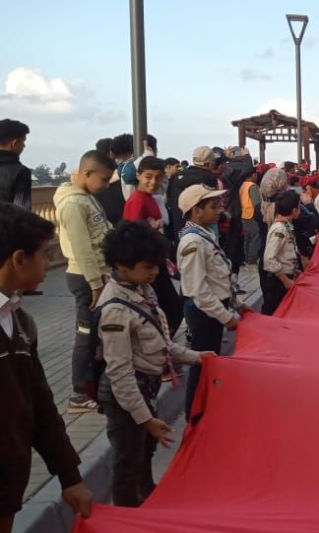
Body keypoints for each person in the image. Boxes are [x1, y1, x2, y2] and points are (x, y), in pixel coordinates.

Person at [0, 204, 93, 533]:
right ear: (19, 259)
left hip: (8, 484)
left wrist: (69, 476)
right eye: (46, 254)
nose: (51, 262)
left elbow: (40, 405)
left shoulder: (21, 323)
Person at [95, 222, 211, 507]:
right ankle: (129, 514)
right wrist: (145, 419)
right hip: (127, 397)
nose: (155, 272)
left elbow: (162, 344)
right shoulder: (115, 310)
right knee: (128, 460)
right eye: (148, 267)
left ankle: (148, 495)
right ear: (122, 266)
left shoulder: (141, 291)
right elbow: (120, 373)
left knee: (144, 451)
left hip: (145, 388)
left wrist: (197, 357)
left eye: (156, 265)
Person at [55, 151, 116, 411]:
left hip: (97, 275)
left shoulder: (87, 198)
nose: (106, 185)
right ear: (87, 173)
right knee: (86, 335)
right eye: (104, 179)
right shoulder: (72, 204)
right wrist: (95, 284)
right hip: (85, 277)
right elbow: (82, 249)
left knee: (98, 335)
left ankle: (95, 385)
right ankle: (78, 394)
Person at [177, 184, 241, 419]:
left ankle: (206, 407)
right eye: (213, 207)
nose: (218, 210)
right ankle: (195, 414)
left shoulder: (204, 235)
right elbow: (199, 291)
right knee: (203, 363)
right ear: (196, 211)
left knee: (211, 360)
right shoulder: (193, 243)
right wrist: (226, 317)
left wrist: (235, 304)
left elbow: (218, 278)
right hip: (204, 312)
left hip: (213, 309)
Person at [121, 156, 183, 336]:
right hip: (146, 262)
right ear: (138, 176)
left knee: (169, 309)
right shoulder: (137, 200)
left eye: (158, 177)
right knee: (170, 309)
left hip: (154, 260)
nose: (153, 182)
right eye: (148, 177)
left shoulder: (149, 198)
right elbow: (131, 235)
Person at [262, 192, 303, 316]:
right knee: (274, 313)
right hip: (278, 281)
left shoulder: (286, 225)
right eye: (299, 206)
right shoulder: (280, 228)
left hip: (287, 276)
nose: (300, 209)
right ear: (294, 210)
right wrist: (285, 280)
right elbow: (269, 259)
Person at [167, 147, 218, 236]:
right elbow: (211, 203)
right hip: (200, 227)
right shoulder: (209, 178)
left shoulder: (176, 176)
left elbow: (169, 198)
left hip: (178, 225)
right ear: (210, 163)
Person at [0, 119, 32, 208]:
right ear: (14, 143)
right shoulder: (20, 172)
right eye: (23, 142)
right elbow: (21, 210)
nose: (24, 146)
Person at [239, 166, 263, 266]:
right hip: (252, 215)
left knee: (248, 238)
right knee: (256, 238)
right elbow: (257, 203)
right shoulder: (252, 186)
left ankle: (247, 258)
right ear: (253, 175)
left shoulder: (242, 185)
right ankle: (252, 259)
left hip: (244, 214)